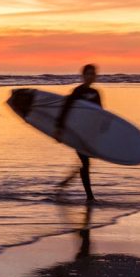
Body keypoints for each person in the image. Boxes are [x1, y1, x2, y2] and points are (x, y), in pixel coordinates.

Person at [54, 64, 101, 203]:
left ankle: (66, 182)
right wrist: (58, 129)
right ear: (83, 76)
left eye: (93, 74)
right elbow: (65, 110)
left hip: (89, 134)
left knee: (85, 163)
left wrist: (100, 133)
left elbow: (100, 114)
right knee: (85, 163)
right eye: (88, 74)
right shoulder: (77, 92)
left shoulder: (96, 93)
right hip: (77, 132)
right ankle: (90, 197)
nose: (90, 76)